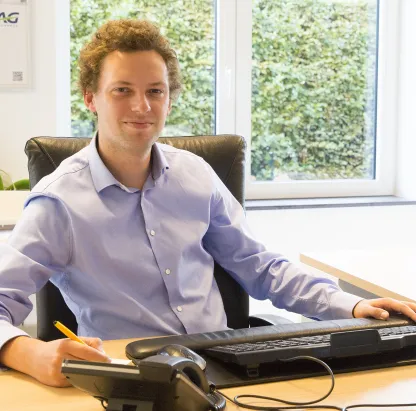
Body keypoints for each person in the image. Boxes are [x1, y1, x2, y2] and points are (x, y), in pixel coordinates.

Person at [0, 19, 415, 388]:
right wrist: (28, 353)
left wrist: (350, 304)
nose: (142, 106)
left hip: (225, 370)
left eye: (155, 91)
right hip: (131, 377)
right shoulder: (58, 202)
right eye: (122, 90)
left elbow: (259, 265)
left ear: (170, 99)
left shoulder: (194, 174)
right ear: (91, 98)